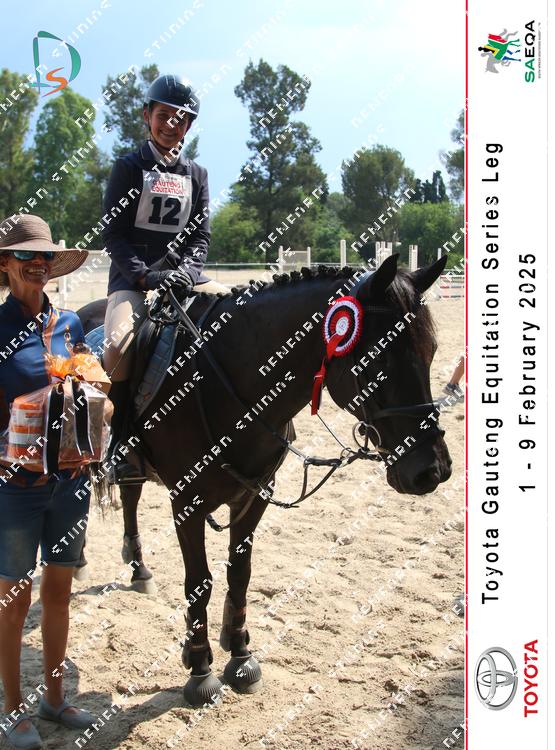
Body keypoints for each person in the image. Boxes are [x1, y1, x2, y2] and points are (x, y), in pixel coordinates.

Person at [102, 73, 227, 484]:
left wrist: (186, 273)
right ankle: (120, 443)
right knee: (117, 347)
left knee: (242, 313)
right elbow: (113, 234)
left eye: (180, 118)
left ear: (188, 125)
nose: (171, 124)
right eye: (163, 115)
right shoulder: (128, 167)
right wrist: (145, 277)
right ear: (147, 115)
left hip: (184, 277)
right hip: (134, 280)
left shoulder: (197, 173)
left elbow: (200, 236)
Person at [0, 214, 95, 750]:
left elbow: (88, 390)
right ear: (5, 264)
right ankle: (13, 711)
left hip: (70, 482)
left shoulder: (71, 325)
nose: (37, 263)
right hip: (15, 488)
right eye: (25, 255)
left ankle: (54, 699)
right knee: (14, 600)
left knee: (59, 592)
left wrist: (93, 420)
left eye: (44, 256)